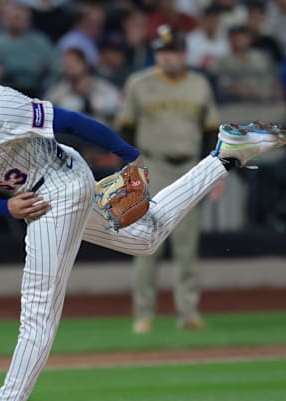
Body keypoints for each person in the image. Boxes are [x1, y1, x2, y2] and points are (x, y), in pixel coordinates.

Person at [0, 37, 286, 401]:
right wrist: (4, 208)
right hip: (36, 193)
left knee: (37, 310)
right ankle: (226, 156)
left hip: (57, 183)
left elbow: (69, 121)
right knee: (145, 239)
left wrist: (129, 156)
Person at [118, 26, 221, 335]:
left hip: (189, 168)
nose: (167, 57)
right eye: (161, 51)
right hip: (152, 166)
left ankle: (188, 311)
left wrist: (214, 175)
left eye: (172, 51)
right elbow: (125, 130)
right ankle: (143, 314)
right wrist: (130, 172)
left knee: (187, 247)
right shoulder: (139, 83)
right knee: (146, 243)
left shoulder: (200, 85)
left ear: (183, 54)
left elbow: (209, 133)